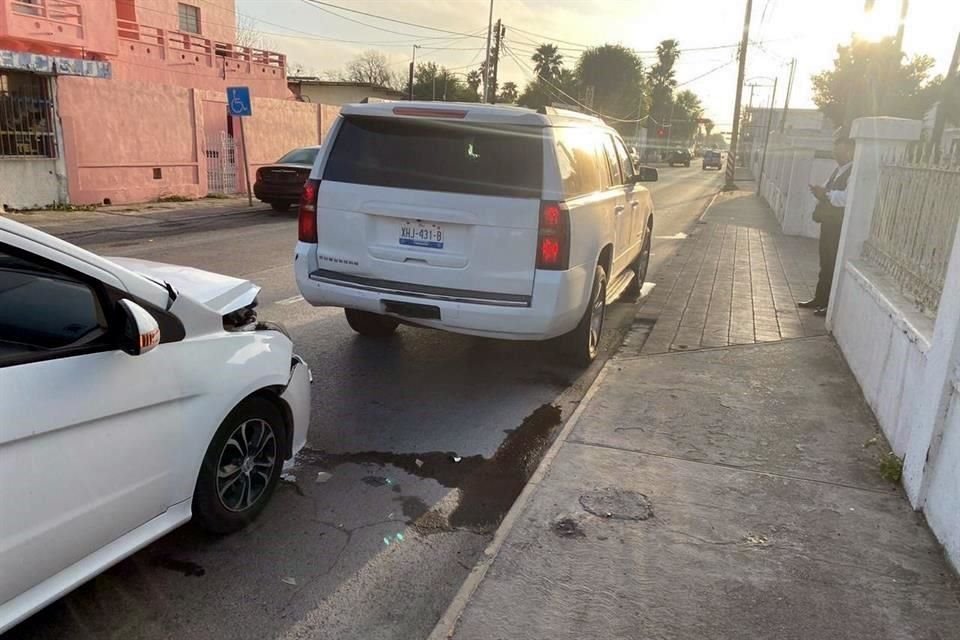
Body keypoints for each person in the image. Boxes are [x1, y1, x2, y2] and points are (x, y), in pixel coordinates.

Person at [799, 134, 855, 316]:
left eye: (840, 150)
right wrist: (820, 192)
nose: (836, 154)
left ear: (850, 150)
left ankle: (828, 304)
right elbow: (828, 190)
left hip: (838, 225)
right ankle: (819, 298)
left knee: (832, 263)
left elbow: (846, 199)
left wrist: (827, 194)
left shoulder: (853, 171)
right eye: (835, 150)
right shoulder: (837, 170)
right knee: (825, 262)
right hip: (828, 223)